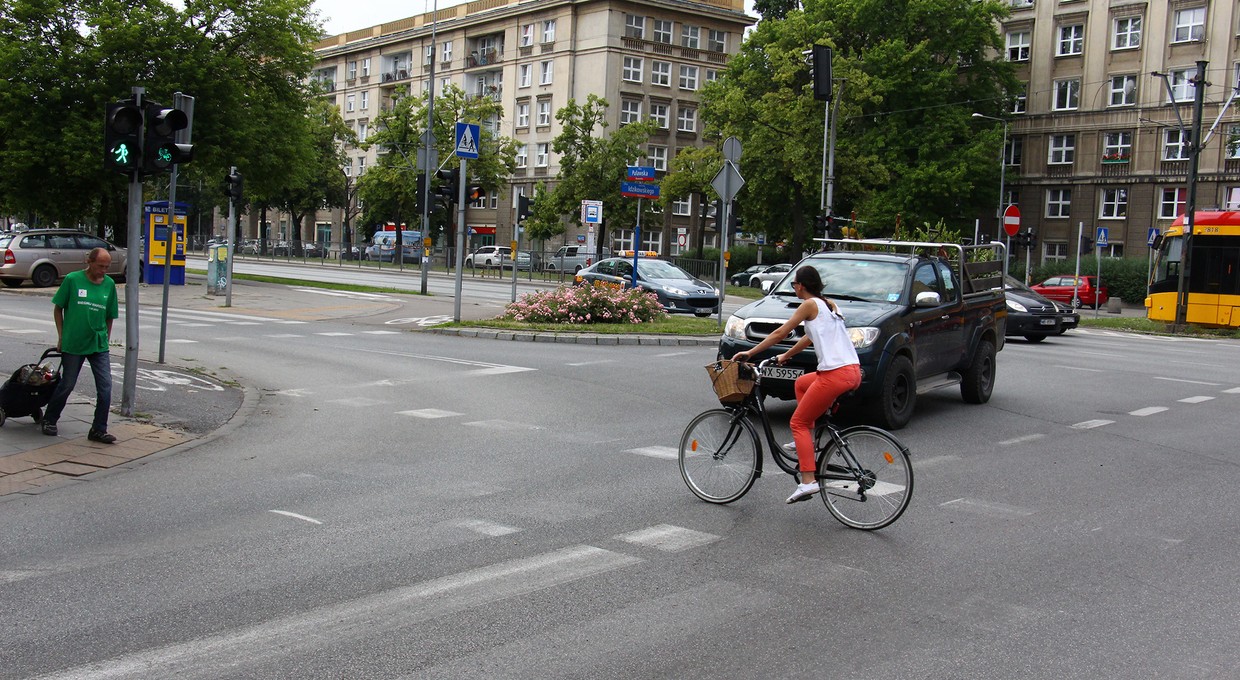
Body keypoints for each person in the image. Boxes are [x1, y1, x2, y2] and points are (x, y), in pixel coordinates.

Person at [732, 265, 861, 504]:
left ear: (800, 285)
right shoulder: (827, 305)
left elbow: (780, 332)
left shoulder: (809, 305)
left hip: (834, 374)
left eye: (793, 285)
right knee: (801, 383)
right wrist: (784, 356)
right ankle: (806, 443)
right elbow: (809, 337)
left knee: (798, 422)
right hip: (851, 371)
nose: (794, 289)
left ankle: (808, 481)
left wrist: (750, 352)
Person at [41, 247, 120, 443]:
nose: (103, 270)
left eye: (107, 267)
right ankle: (50, 419)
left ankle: (98, 429)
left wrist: (106, 339)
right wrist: (61, 336)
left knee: (105, 388)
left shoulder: (109, 284)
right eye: (100, 266)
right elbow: (58, 309)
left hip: (98, 344)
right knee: (67, 384)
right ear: (90, 262)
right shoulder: (73, 280)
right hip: (74, 342)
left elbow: (110, 316)